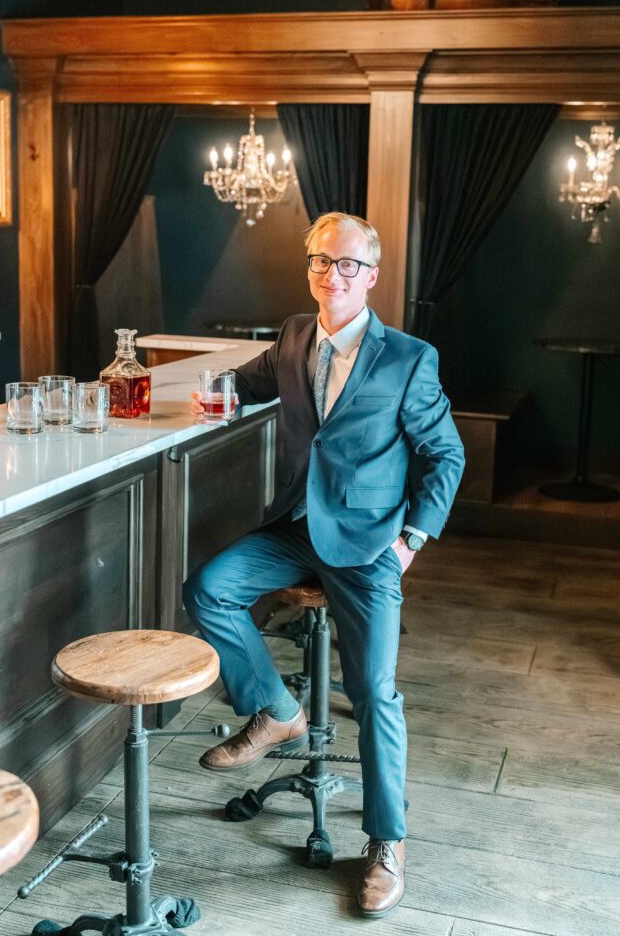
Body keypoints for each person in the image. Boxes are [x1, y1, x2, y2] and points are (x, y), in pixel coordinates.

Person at [184, 211, 464, 918]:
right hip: (296, 528)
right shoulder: (291, 337)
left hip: (370, 544)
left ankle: (386, 844)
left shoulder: (408, 357)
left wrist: (409, 543)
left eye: (346, 265)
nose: (330, 275)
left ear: (370, 276)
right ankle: (277, 711)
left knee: (373, 693)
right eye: (319, 260)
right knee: (208, 589)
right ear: (307, 266)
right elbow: (240, 385)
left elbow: (444, 456)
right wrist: (166, 393)